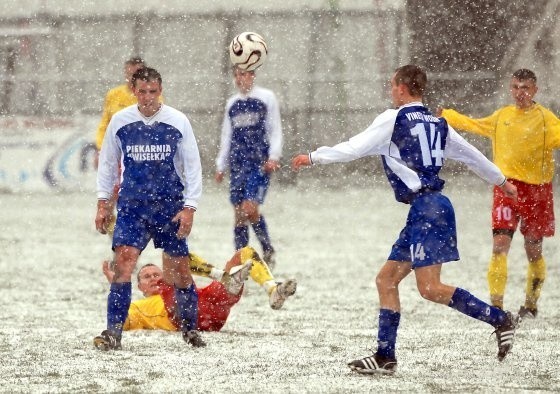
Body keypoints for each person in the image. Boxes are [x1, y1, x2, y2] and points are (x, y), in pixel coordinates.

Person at [291, 65, 520, 374]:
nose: (390, 91)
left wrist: (314, 157)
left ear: (401, 87)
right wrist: (502, 181)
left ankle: (500, 319)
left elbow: (354, 147)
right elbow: (471, 156)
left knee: (430, 288)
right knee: (386, 280)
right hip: (428, 208)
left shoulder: (393, 118)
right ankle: (385, 356)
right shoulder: (439, 123)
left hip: (428, 209)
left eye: (391, 85)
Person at [94, 67, 205, 350]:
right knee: (124, 263)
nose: (147, 98)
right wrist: (102, 203)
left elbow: (193, 167)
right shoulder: (120, 121)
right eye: (142, 92)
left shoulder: (178, 121)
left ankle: (191, 329)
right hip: (133, 206)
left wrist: (190, 207)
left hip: (169, 206)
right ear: (134, 91)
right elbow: (108, 164)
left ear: (160, 90)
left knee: (179, 271)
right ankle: (113, 333)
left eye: (152, 92)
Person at [439, 69, 560, 318]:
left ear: (535, 90)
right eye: (515, 87)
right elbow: (476, 125)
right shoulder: (502, 116)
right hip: (506, 188)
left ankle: (531, 305)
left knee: (533, 251)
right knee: (499, 246)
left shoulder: (547, 121)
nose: (520, 93)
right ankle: (497, 306)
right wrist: (449, 116)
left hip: (537, 192)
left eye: (525, 88)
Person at [101, 247, 297, 333]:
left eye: (156, 274)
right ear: (140, 287)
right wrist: (117, 287)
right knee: (173, 253)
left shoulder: (175, 282)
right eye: (147, 276)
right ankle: (229, 279)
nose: (153, 277)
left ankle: (272, 289)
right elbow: (121, 322)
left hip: (206, 306)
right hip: (183, 315)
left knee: (244, 252)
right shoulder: (139, 307)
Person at [215, 66, 283, 268]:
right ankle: (243, 258)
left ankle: (263, 249)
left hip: (258, 163)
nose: (239, 79)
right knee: (240, 214)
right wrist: (221, 164)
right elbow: (227, 135)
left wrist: (273, 155)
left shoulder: (266, 98)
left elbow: (275, 128)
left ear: (252, 75)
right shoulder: (232, 104)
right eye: (236, 75)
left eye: (243, 74)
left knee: (249, 208)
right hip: (238, 164)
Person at [93, 57, 147, 237]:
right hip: (115, 155)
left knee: (135, 204)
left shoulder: (149, 95)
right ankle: (117, 239)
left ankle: (133, 239)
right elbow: (104, 124)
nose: (131, 77)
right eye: (129, 73)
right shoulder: (114, 95)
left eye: (135, 73)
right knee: (108, 201)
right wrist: (99, 148)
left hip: (138, 158)